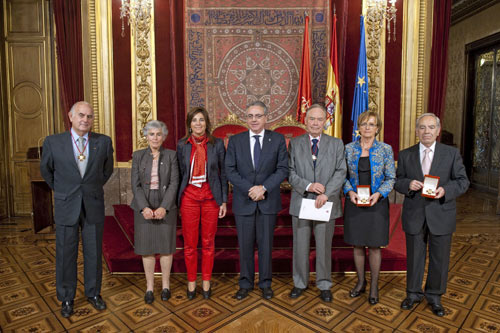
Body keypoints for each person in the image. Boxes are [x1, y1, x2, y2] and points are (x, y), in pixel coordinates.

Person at [40, 101, 114, 318]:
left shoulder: (103, 142)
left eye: (89, 116)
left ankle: (93, 293)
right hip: (66, 204)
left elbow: (106, 171)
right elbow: (47, 171)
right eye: (81, 115)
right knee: (65, 253)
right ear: (70, 117)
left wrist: (89, 187)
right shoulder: (53, 142)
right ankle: (66, 297)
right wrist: (63, 190)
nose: (85, 120)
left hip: (92, 203)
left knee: (93, 252)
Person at [395, 113, 469, 317]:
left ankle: (435, 297)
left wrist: (445, 191)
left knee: (440, 259)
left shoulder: (451, 154)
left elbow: (463, 181)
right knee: (414, 257)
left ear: (437, 130)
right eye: (422, 127)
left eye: (430, 127)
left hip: (441, 213)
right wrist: (408, 184)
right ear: (416, 131)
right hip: (415, 214)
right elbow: (397, 180)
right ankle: (412, 294)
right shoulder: (405, 154)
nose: (426, 131)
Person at [225, 101, 288, 300]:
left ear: (266, 118)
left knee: (266, 245)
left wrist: (264, 188)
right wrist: (250, 189)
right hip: (244, 200)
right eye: (250, 116)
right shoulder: (236, 141)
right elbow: (230, 170)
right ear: (246, 118)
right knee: (245, 245)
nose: (254, 119)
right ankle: (245, 283)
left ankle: (265, 283)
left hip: (268, 200)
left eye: (258, 116)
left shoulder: (278, 139)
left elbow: (283, 169)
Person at [288, 104, 346, 302]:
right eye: (311, 119)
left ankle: (324, 284)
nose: (315, 122)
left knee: (323, 246)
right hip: (302, 201)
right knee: (300, 246)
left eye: (319, 119)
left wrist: (327, 193)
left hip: (325, 203)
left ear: (325, 122)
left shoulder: (336, 143)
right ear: (305, 121)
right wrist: (309, 186)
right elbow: (290, 172)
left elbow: (341, 171)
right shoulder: (295, 144)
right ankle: (300, 283)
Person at [343, 111, 396, 305]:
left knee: (374, 245)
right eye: (364, 124)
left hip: (376, 203)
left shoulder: (385, 149)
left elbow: (391, 178)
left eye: (371, 124)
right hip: (355, 202)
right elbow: (343, 176)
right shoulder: (348, 149)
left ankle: (374, 286)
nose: (367, 127)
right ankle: (360, 282)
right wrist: (350, 192)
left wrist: (379, 194)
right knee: (357, 244)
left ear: (377, 128)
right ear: (358, 127)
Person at [177, 107, 228, 300]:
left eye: (201, 120)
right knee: (190, 245)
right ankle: (191, 282)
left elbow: (222, 174)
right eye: (194, 120)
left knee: (208, 243)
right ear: (189, 124)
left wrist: (223, 200)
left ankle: (206, 282)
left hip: (210, 198)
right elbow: (180, 173)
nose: (198, 124)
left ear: (207, 123)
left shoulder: (217, 144)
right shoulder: (182, 145)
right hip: (189, 198)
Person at [130, 120, 179, 304]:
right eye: (151, 134)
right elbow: (135, 185)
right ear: (146, 136)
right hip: (144, 205)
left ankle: (166, 285)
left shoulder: (172, 156)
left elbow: (174, 183)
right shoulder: (137, 156)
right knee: (147, 248)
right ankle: (149, 286)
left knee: (166, 248)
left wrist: (164, 207)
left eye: (158, 134)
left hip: (166, 204)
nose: (155, 137)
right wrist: (144, 207)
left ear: (164, 136)